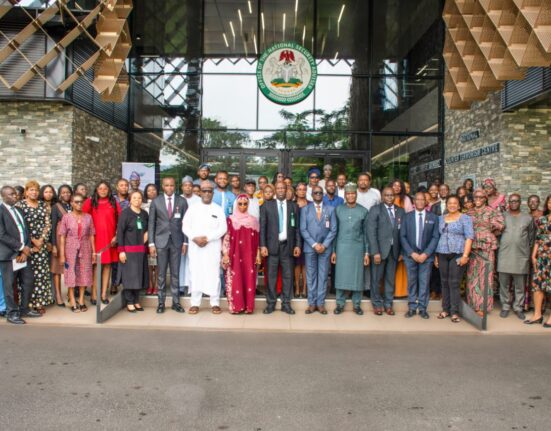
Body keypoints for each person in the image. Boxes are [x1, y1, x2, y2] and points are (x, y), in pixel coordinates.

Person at [183, 180, 227, 314]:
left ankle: (215, 303)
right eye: (204, 191)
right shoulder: (193, 208)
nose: (207, 193)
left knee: (213, 274)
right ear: (200, 193)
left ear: (213, 193)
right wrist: (194, 238)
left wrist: (208, 238)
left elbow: (223, 228)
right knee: (196, 274)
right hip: (196, 247)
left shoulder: (218, 209)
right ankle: (195, 303)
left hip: (212, 247)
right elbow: (185, 226)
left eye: (209, 191)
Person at [0, 186, 41, 324]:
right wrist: (21, 248)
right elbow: (2, 235)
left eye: (15, 194)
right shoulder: (0, 211)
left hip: (24, 254)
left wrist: (26, 248)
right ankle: (12, 313)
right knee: (9, 286)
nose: (15, 196)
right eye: (11, 194)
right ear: (3, 196)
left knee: (28, 281)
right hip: (8, 256)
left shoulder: (19, 210)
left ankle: (24, 309)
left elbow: (26, 231)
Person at [260, 181, 302, 314]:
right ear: (275, 190)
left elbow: (297, 228)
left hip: (288, 246)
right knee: (271, 277)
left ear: (286, 189)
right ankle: (271, 303)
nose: (280, 190)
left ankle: (286, 304)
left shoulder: (294, 206)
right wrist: (262, 245)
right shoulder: (266, 205)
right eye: (278, 188)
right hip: (271, 247)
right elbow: (262, 228)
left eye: (283, 188)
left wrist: (297, 245)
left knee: (288, 276)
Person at [148, 177, 188, 314]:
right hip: (161, 241)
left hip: (177, 241)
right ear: (163, 187)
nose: (169, 187)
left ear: (175, 186)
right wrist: (151, 243)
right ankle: (161, 303)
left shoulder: (182, 201)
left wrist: (185, 241)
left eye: (172, 185)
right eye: (167, 185)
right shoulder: (156, 201)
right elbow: (151, 223)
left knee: (175, 273)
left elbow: (186, 223)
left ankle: (176, 302)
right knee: (161, 274)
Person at [400, 192, 440, 319]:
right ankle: (412, 307)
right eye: (417, 199)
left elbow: (435, 237)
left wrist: (426, 254)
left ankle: (422, 308)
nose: (420, 201)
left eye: (423, 199)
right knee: (412, 282)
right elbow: (402, 236)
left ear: (426, 202)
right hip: (410, 256)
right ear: (414, 202)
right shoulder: (407, 217)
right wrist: (412, 253)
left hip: (426, 257)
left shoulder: (433, 217)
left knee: (424, 282)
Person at [331, 183, 369, 315]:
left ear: (356, 195)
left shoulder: (363, 211)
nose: (351, 196)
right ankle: (340, 304)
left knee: (357, 277)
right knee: (341, 276)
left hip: (358, 248)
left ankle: (356, 305)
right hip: (341, 248)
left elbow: (366, 234)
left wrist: (366, 252)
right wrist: (334, 251)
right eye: (348, 194)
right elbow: (335, 232)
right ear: (345, 195)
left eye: (353, 193)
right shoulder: (338, 210)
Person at [435, 195, 474, 323]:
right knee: (444, 282)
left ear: (459, 205)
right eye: (450, 203)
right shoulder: (441, 218)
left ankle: (454, 312)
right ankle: (445, 309)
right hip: (442, 253)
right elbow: (437, 237)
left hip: (458, 253)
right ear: (446, 205)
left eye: (455, 203)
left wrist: (465, 256)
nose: (452, 205)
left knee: (454, 282)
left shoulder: (465, 218)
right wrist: (436, 256)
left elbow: (469, 237)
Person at [465, 188, 505, 316]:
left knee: (485, 276)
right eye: (475, 197)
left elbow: (501, 226)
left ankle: (483, 306)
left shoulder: (492, 211)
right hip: (472, 247)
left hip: (487, 247)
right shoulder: (469, 212)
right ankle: (473, 304)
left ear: (485, 199)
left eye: (481, 197)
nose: (478, 199)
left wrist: (486, 233)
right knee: (472, 276)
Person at [16, 180, 53, 313]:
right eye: (31, 190)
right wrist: (33, 240)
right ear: (26, 192)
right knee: (28, 276)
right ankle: (27, 303)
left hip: (41, 246)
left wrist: (41, 240)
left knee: (41, 275)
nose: (34, 192)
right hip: (26, 246)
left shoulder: (43, 205)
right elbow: (19, 225)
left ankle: (39, 302)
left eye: (36, 190)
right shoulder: (20, 205)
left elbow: (48, 224)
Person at [368, 187, 405, 316]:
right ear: (382, 197)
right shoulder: (375, 209)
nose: (389, 197)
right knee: (376, 279)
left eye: (391, 195)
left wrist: (402, 252)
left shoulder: (400, 211)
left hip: (394, 252)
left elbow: (403, 233)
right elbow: (371, 232)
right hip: (379, 251)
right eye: (386, 195)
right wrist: (375, 252)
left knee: (390, 279)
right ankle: (377, 304)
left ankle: (388, 304)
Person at [83, 181, 121, 305]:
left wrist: (117, 235)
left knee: (107, 266)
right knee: (96, 266)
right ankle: (94, 294)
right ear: (96, 190)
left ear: (109, 190)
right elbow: (83, 217)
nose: (103, 191)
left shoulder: (113, 202)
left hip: (110, 239)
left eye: (105, 188)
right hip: (95, 238)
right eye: (100, 188)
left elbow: (121, 219)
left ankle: (104, 294)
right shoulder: (90, 202)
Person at [300, 186, 337, 314]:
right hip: (310, 248)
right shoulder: (305, 209)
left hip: (325, 249)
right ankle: (311, 303)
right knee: (311, 276)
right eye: (315, 192)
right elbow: (303, 229)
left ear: (323, 194)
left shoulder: (330, 209)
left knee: (323, 276)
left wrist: (324, 245)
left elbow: (333, 230)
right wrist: (314, 244)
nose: (318, 194)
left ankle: (320, 303)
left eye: (320, 192)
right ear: (311, 194)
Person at [222, 194, 261, 314]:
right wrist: (225, 254)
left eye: (245, 204)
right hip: (235, 255)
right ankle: (237, 306)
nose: (243, 206)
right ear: (236, 205)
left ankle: (248, 307)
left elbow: (257, 241)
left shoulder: (253, 220)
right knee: (236, 279)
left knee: (248, 279)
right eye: (240, 204)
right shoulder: (230, 219)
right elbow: (226, 238)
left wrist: (258, 255)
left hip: (249, 256)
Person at [498, 194, 535, 320]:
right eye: (511, 201)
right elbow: (497, 234)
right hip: (504, 255)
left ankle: (518, 307)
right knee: (504, 284)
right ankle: (505, 306)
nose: (513, 203)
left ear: (520, 202)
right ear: (508, 203)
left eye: (516, 201)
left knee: (520, 285)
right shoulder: (502, 216)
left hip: (521, 256)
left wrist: (528, 255)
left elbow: (531, 238)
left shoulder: (528, 218)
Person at [59, 194, 95, 312]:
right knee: (70, 273)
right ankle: (72, 300)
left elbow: (91, 235)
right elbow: (62, 236)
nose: (79, 204)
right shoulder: (66, 217)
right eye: (76, 202)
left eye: (81, 202)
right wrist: (62, 254)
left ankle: (81, 300)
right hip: (70, 247)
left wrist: (94, 252)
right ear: (71, 203)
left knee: (84, 272)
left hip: (85, 247)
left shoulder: (88, 217)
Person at [117, 191, 148, 313]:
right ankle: (129, 301)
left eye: (139, 198)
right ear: (130, 200)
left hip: (141, 251)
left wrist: (147, 234)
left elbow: (148, 228)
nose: (137, 200)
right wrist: (121, 251)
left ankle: (136, 300)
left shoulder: (144, 214)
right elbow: (120, 233)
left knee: (139, 276)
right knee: (130, 277)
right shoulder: (125, 214)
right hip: (128, 251)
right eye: (134, 198)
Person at [525, 195, 551, 327]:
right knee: (537, 286)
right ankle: (537, 315)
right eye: (550, 202)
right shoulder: (542, 219)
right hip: (542, 256)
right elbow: (538, 239)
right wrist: (533, 256)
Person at [50, 184, 73, 306]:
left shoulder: (73, 205)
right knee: (57, 268)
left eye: (68, 192)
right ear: (59, 194)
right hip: (59, 240)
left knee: (71, 268)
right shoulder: (56, 207)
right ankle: (58, 295)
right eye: (63, 192)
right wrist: (54, 245)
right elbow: (53, 226)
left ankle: (70, 294)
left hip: (72, 240)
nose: (66, 194)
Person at [178, 176, 199, 296]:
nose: (187, 188)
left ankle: (193, 286)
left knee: (193, 261)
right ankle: (181, 286)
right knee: (181, 260)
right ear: (182, 187)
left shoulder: (198, 200)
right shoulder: (178, 199)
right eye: (185, 185)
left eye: (190, 186)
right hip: (180, 235)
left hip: (194, 235)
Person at [111, 177, 130, 295]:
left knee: (126, 259)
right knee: (114, 260)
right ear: (117, 187)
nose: (124, 187)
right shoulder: (112, 200)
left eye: (126, 185)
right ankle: (114, 283)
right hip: (113, 232)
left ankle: (125, 283)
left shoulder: (130, 199)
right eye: (121, 185)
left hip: (127, 233)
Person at [142, 183, 158, 296]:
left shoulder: (161, 202)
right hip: (146, 237)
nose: (151, 192)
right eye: (149, 190)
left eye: (153, 190)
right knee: (148, 263)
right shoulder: (142, 205)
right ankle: (150, 284)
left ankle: (156, 285)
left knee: (157, 263)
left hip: (158, 236)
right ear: (146, 193)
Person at [294, 183, 309, 299]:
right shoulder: (292, 204)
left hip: (308, 237)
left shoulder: (311, 204)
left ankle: (304, 288)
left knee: (305, 264)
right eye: (299, 189)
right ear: (296, 191)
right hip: (295, 236)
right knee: (296, 264)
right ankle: (297, 288)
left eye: (304, 189)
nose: (302, 191)